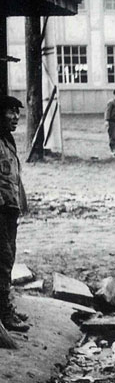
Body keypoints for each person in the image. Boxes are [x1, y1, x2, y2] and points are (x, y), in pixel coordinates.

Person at [0, 96, 29, 332]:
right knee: (3, 259)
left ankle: (6, 307)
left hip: (10, 209)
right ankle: (4, 314)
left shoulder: (7, 141)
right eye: (12, 112)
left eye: (18, 113)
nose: (16, 118)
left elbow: (14, 177)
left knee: (8, 260)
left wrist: (22, 201)